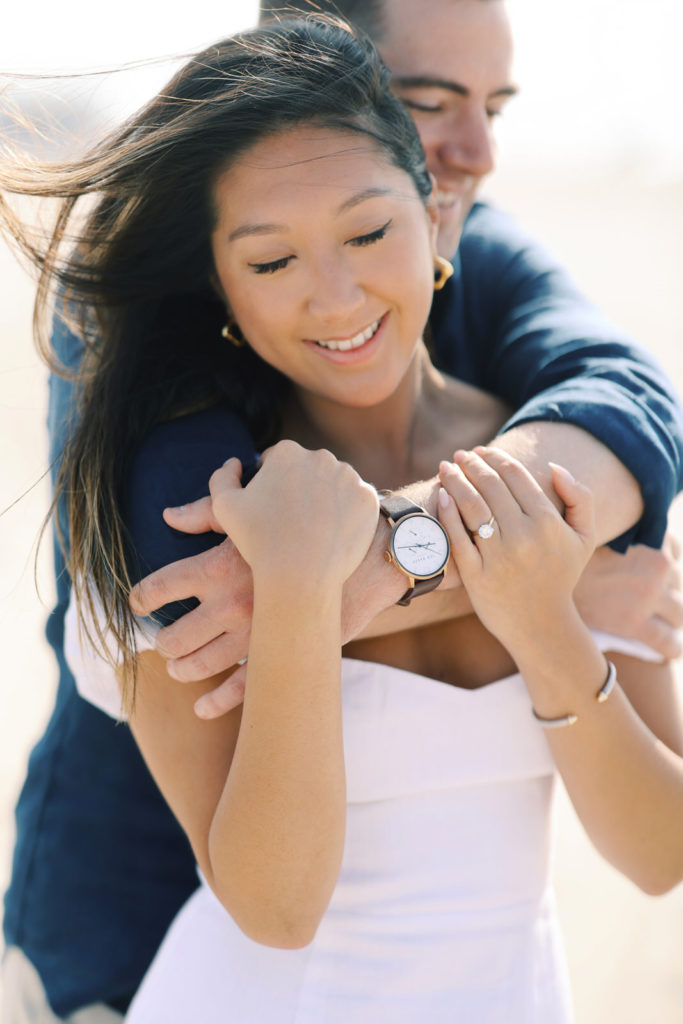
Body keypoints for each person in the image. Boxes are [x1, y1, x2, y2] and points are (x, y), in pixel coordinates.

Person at [3, 6, 683, 1024]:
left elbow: (658, 853)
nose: (332, 296)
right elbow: (273, 909)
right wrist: (294, 598)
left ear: (435, 211)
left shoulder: (552, 477)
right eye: (271, 261)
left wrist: (541, 610)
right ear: (222, 288)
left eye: (367, 232)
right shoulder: (192, 523)